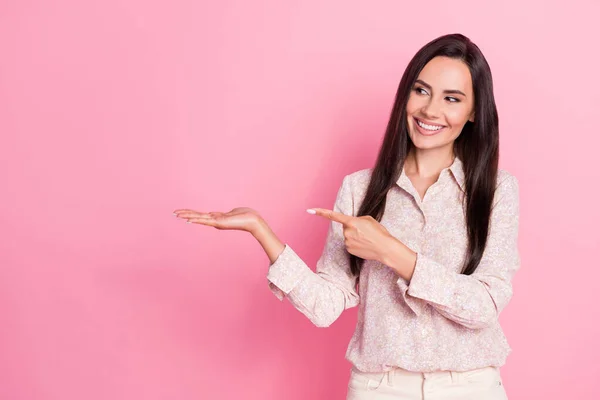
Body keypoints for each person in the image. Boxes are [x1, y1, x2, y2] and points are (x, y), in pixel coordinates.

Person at [173, 33, 519, 400]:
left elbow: (483, 306)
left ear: (474, 112)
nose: (430, 110)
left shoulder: (496, 190)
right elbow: (325, 306)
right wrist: (261, 231)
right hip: (380, 389)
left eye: (452, 98)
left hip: (469, 387)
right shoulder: (360, 190)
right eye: (421, 91)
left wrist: (389, 251)